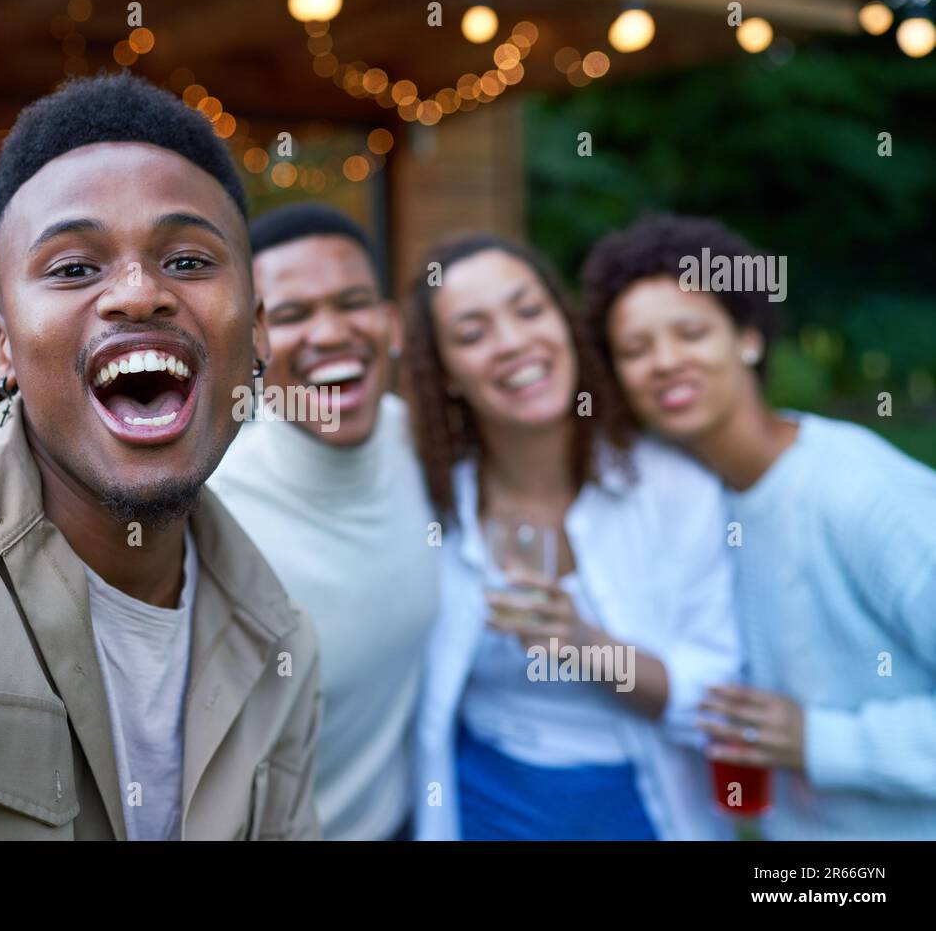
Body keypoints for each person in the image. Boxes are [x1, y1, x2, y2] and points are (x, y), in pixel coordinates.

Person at [0, 72, 322, 840]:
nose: (138, 294)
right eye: (74, 268)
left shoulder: (284, 645)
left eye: (189, 261)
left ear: (259, 336)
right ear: (2, 350)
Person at [580, 212, 936, 839]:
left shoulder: (862, 494)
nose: (664, 362)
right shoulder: (693, 504)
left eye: (690, 332)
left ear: (748, 337)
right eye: (635, 349)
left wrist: (826, 741)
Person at [408, 234, 739, 841]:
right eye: (473, 333)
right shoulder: (434, 501)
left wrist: (584, 644)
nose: (512, 343)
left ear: (565, 324)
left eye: (529, 310)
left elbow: (716, 695)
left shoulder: (673, 489)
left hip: (637, 806)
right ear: (446, 373)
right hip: (486, 805)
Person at [208, 203, 437, 840]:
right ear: (252, 343)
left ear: (390, 324)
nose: (331, 333)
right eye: (291, 315)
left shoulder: (424, 445)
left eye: (352, 302)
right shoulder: (207, 501)